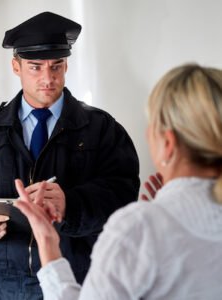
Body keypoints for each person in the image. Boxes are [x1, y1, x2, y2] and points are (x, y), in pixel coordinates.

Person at [15, 63, 222, 299]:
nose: (48, 78)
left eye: (150, 125)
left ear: (168, 144)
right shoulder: (145, 225)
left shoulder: (138, 229)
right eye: (35, 67)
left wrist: (47, 241)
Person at [0, 11, 140, 300]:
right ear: (15, 66)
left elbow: (124, 196)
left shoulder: (101, 128)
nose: (48, 78)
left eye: (56, 66)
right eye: (35, 67)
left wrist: (71, 203)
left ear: (66, 65)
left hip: (76, 281)